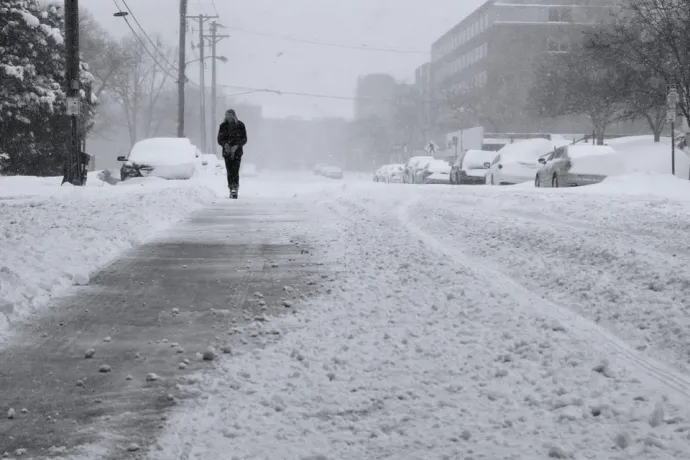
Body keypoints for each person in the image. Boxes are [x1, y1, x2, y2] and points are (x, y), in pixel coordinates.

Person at [217, 109, 248, 198]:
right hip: (227, 152)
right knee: (229, 170)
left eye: (230, 115)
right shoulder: (223, 126)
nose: (228, 117)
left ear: (234, 116)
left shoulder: (240, 125)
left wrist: (237, 145)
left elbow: (244, 139)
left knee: (235, 170)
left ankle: (235, 187)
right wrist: (225, 144)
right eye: (227, 115)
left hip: (237, 152)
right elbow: (219, 139)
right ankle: (231, 187)